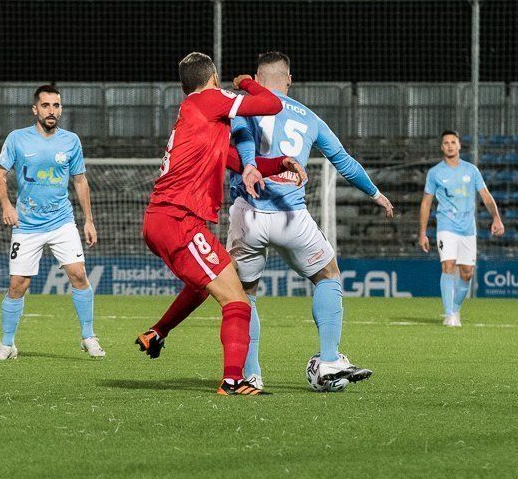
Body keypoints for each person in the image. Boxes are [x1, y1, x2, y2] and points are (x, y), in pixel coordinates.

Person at [136, 51, 393, 392]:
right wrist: (245, 83)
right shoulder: (219, 101)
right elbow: (279, 111)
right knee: (302, 281)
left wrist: (272, 163)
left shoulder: (203, 116)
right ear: (288, 78)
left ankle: (225, 360)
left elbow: (239, 151)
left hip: (232, 214)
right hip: (268, 215)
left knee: (228, 286)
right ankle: (274, 371)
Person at [140, 51, 299, 396]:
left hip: (164, 220)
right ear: (212, 78)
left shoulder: (194, 115)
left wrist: (279, 163)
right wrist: (246, 82)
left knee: (203, 286)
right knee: (237, 302)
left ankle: (157, 332)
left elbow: (231, 159)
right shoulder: (209, 100)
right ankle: (233, 381)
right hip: (179, 219)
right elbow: (272, 104)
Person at [0, 84, 104, 361]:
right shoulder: (17, 139)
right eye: (46, 105)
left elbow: (80, 180)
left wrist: (88, 220)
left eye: (56, 105)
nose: (51, 111)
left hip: (62, 221)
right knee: (18, 284)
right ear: (35, 109)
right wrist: (7, 205)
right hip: (27, 224)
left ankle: (88, 337)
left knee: (78, 275)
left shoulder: (71, 141)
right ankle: (7, 344)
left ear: (61, 109)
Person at [418, 130, 504, 327]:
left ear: (459, 146)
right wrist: (423, 232)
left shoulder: (471, 171)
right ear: (442, 147)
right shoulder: (435, 173)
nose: (449, 145)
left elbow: (486, 197)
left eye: (453, 142)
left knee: (467, 273)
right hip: (446, 226)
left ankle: (455, 309)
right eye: (446, 142)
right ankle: (449, 314)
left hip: (468, 229)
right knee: (448, 266)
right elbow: (426, 203)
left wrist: (496, 218)